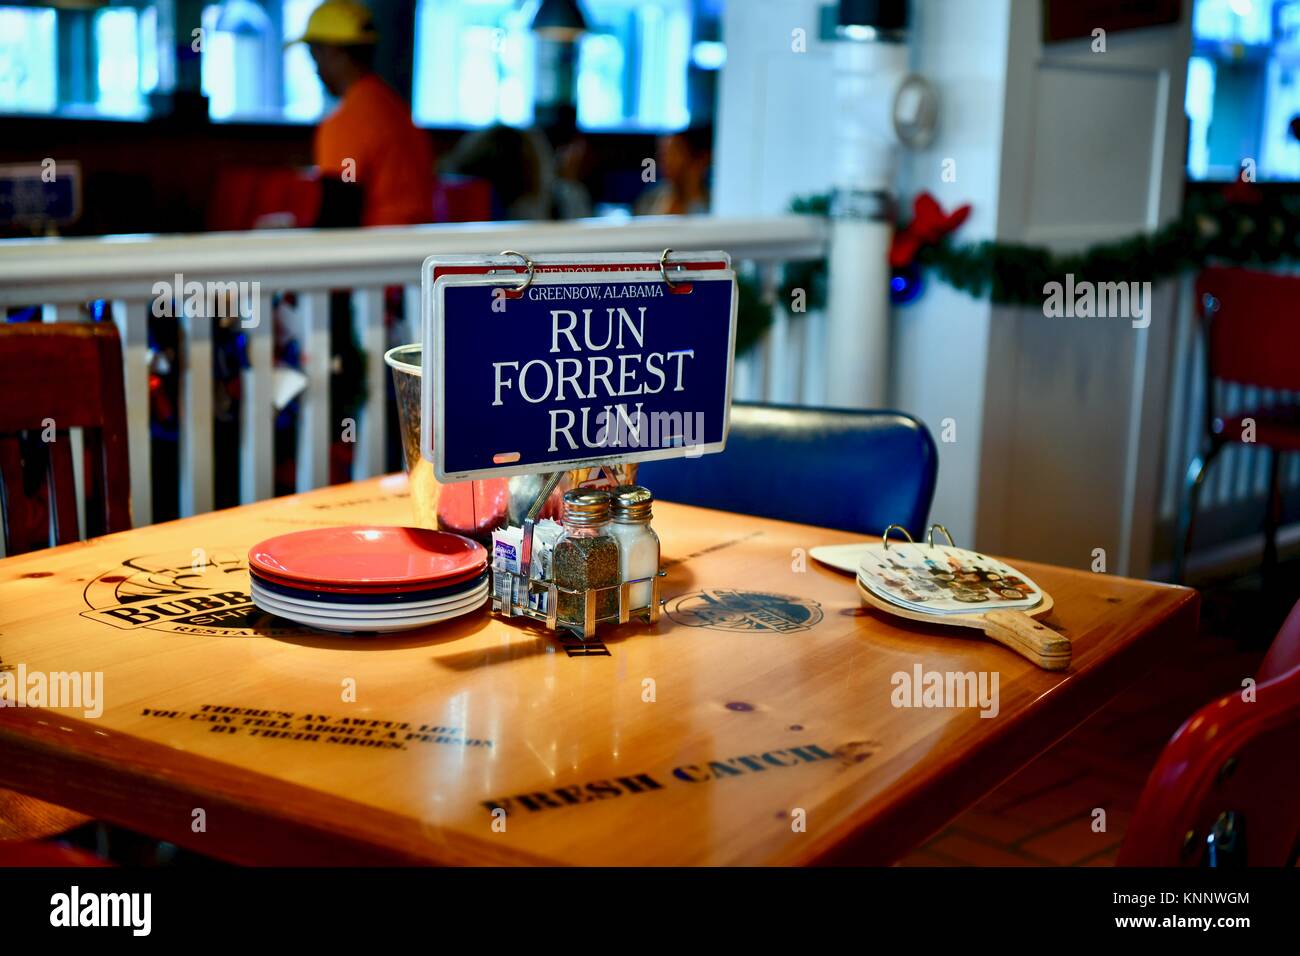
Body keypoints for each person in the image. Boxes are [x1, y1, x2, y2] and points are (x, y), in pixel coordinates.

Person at [288, 0, 435, 227]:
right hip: (420, 243)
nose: (315, 68)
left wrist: (291, 233)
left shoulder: (346, 123)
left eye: (314, 54)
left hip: (377, 245)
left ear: (333, 51)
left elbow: (340, 214)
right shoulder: (397, 110)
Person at [635, 125, 713, 216]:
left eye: (673, 153)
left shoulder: (714, 201)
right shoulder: (652, 197)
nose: (666, 161)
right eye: (663, 155)